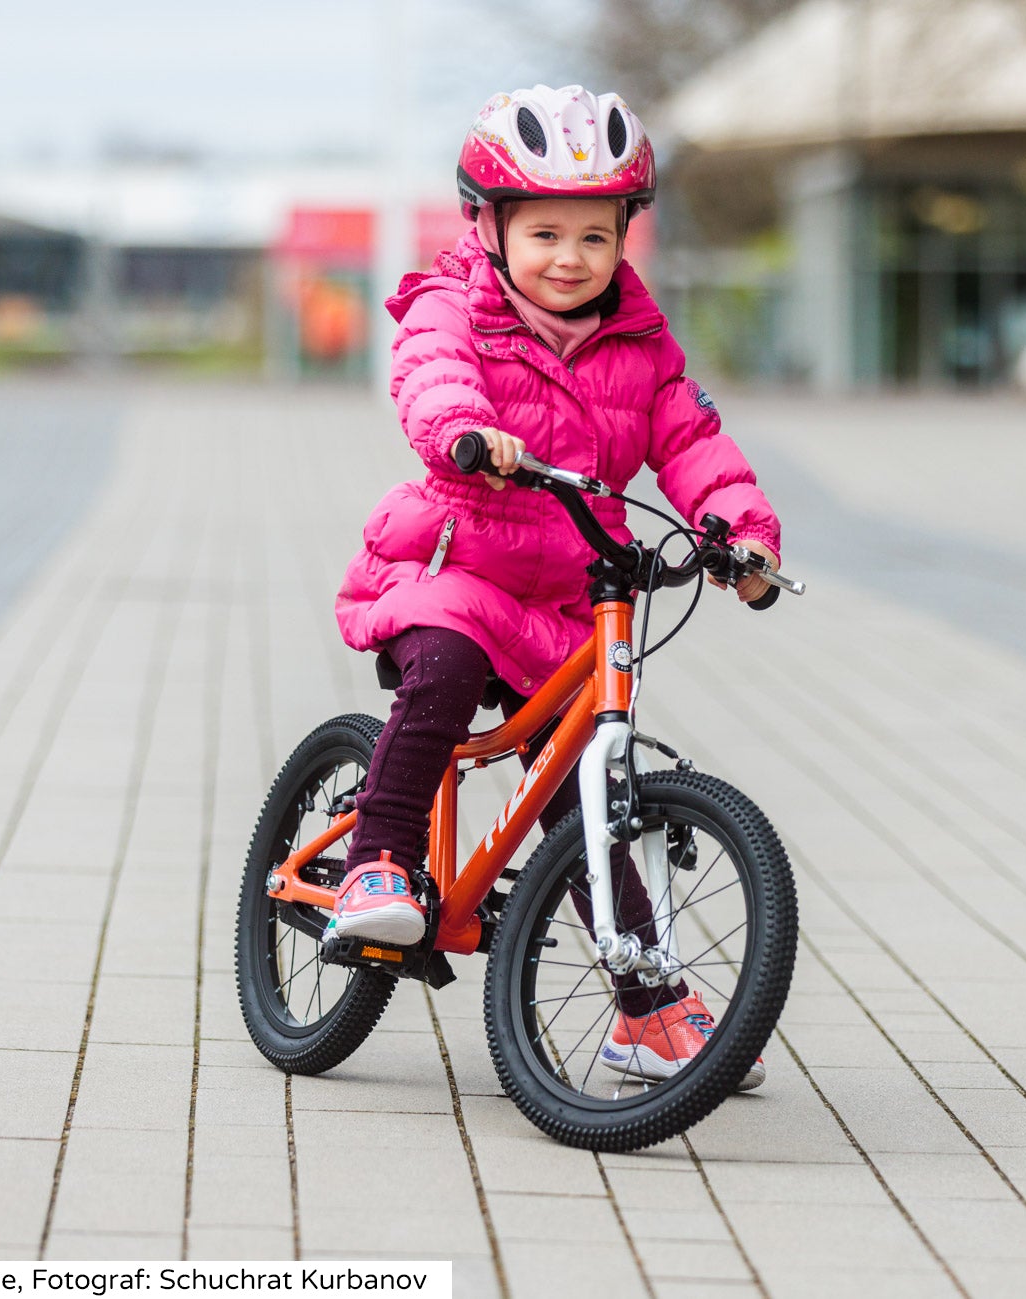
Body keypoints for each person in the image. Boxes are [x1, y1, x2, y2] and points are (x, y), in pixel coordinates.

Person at [331, 85, 782, 1088]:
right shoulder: (456, 307)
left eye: (594, 234)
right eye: (543, 232)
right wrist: (463, 435)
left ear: (626, 235)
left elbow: (693, 442)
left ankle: (647, 1008)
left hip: (575, 595)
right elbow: (430, 376)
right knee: (442, 670)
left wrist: (740, 538)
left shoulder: (643, 345)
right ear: (488, 227)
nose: (570, 258)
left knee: (587, 789)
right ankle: (378, 857)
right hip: (456, 563)